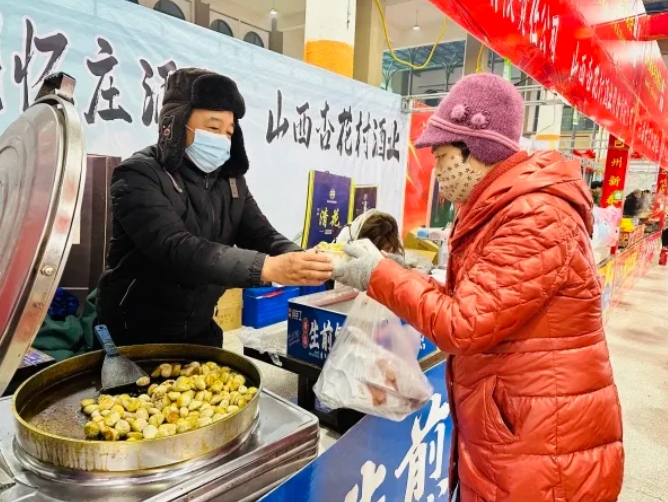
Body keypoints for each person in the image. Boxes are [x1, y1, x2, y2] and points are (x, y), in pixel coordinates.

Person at [333, 74, 623, 502]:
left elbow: (464, 324)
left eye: (444, 155)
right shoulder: (507, 206)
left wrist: (379, 275)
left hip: (546, 446)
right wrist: (398, 271)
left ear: (478, 150)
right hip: (523, 425)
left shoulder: (535, 217)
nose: (437, 171)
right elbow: (485, 295)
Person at [97, 68, 333, 347]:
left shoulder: (231, 183)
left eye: (229, 132)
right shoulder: (137, 175)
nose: (221, 138)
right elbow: (178, 248)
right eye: (212, 127)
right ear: (174, 124)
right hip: (132, 336)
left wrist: (307, 261)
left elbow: (263, 236)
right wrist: (268, 268)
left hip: (199, 329)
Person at [334, 209, 404, 255]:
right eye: (386, 249)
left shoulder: (394, 240)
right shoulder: (345, 241)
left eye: (389, 249)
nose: (385, 254)